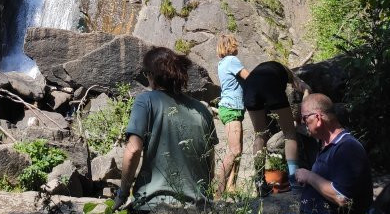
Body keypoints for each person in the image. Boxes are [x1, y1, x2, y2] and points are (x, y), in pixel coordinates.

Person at [115, 46, 218, 211]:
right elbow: (210, 164)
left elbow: (133, 150)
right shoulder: (202, 110)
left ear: (151, 76)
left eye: (146, 74)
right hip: (199, 206)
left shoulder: (145, 101)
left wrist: (122, 193)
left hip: (154, 204)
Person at [296, 94, 372, 214]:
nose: (302, 121)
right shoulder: (325, 144)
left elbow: (342, 198)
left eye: (304, 117)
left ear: (318, 118)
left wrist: (308, 176)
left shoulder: (347, 148)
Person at [243, 60, 310, 196]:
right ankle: (294, 180)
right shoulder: (288, 73)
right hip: (269, 82)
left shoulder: (267, 67)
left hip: (249, 85)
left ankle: (260, 182)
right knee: (290, 133)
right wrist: (304, 113)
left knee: (260, 134)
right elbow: (306, 89)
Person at [215, 34, 249, 195]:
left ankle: (231, 187)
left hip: (231, 108)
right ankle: (218, 192)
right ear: (231, 46)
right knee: (234, 150)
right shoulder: (232, 61)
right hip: (232, 108)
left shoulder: (222, 63)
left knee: (238, 150)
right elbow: (249, 78)